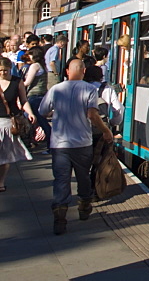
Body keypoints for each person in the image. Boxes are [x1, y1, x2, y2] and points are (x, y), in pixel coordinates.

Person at [38, 57, 113, 234]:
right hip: (82, 143)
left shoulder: (56, 89)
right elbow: (93, 115)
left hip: (60, 143)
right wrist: (105, 130)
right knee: (83, 177)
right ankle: (84, 206)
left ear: (66, 72)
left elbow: (42, 111)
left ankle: (60, 216)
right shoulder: (89, 89)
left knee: (61, 180)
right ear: (84, 71)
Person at [1, 56, 39, 193]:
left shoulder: (17, 82)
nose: (2, 73)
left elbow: (23, 100)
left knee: (5, 156)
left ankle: (1, 182)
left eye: (5, 70)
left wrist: (30, 113)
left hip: (9, 123)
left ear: (10, 69)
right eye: (0, 70)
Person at [23, 46, 50, 143]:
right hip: (41, 95)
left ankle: (30, 139)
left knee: (30, 117)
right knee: (40, 118)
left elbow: (27, 82)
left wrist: (17, 84)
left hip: (34, 95)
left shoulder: (35, 66)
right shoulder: (43, 66)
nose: (28, 56)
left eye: (30, 54)